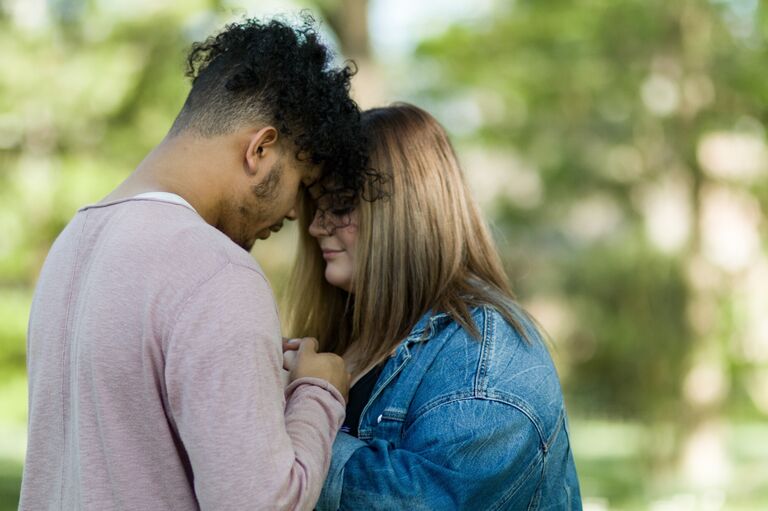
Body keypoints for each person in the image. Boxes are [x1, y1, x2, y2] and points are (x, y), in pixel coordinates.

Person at [20, 15, 375, 510]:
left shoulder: (74, 241)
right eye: (300, 183)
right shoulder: (217, 272)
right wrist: (319, 391)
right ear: (261, 149)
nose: (295, 213)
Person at [285, 103, 582, 510]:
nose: (317, 226)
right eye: (315, 207)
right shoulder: (351, 334)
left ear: (401, 214)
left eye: (338, 206)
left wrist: (294, 425)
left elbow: (429, 500)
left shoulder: (485, 353)